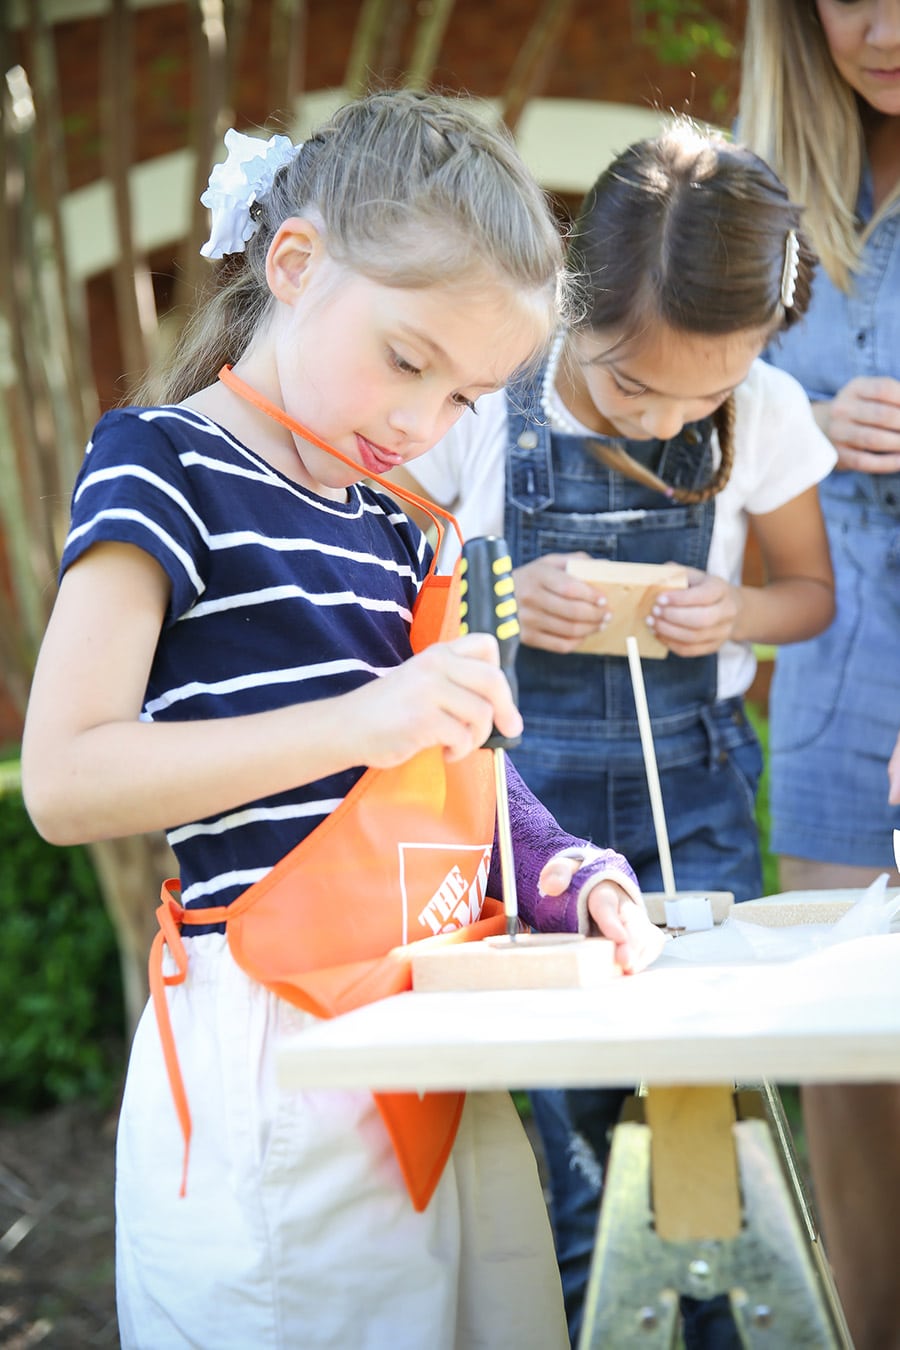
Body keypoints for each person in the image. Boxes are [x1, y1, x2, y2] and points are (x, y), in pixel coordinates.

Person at [19, 91, 667, 1350]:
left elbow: (452, 758)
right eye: (410, 361)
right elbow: (64, 779)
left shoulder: (393, 522)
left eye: (468, 398)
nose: (425, 425)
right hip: (275, 1057)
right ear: (297, 264)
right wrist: (362, 719)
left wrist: (557, 872)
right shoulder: (162, 461)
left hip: (433, 1036)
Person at [391, 117, 837, 1347]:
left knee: (713, 1111)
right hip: (526, 817)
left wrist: (737, 608)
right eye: (631, 382)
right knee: (569, 1136)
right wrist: (507, 604)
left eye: (706, 392)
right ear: (571, 306)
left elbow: (810, 593)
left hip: (692, 801)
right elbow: (407, 604)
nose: (660, 418)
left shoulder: (773, 414)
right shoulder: (491, 402)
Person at [739, 7, 900, 1347]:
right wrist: (804, 425)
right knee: (850, 1073)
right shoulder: (762, 206)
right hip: (837, 690)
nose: (881, 27)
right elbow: (676, 424)